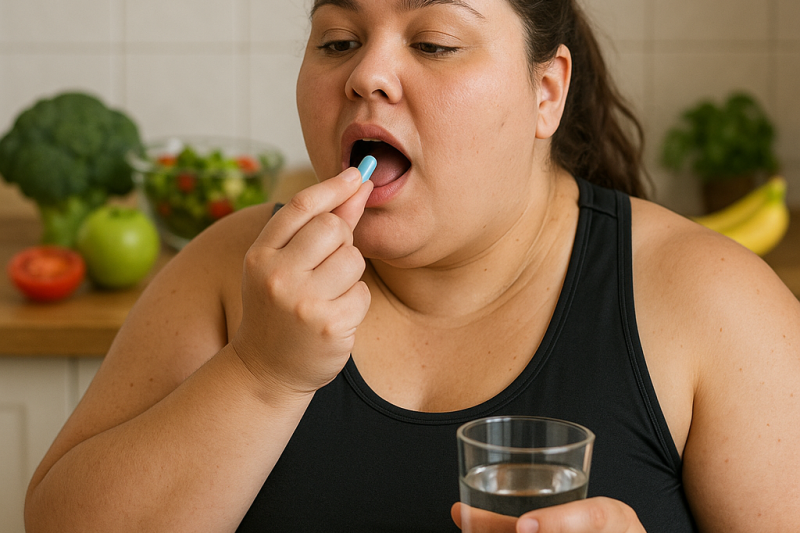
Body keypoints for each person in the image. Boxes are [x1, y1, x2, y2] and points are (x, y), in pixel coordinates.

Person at [24, 0, 800, 531]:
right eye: (337, 40)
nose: (366, 74)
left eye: (432, 42)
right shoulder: (236, 269)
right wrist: (262, 372)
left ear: (546, 91)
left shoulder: (713, 303)